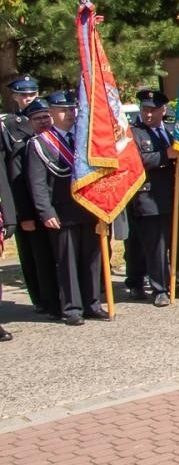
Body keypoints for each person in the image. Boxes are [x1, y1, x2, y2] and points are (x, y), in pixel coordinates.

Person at [26, 90, 107, 325]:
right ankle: (72, 307)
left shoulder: (85, 139)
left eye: (72, 109)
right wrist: (45, 212)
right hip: (62, 211)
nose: (70, 113)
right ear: (51, 113)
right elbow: (37, 183)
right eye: (63, 110)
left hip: (90, 207)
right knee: (67, 262)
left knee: (92, 259)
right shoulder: (41, 144)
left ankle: (93, 303)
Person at [128, 89, 179, 306]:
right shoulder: (133, 133)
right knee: (156, 246)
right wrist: (164, 155)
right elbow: (135, 160)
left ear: (163, 110)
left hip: (177, 195)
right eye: (145, 109)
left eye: (153, 110)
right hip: (149, 198)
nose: (148, 114)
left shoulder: (172, 130)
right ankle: (159, 288)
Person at [2, 76, 57, 318]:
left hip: (52, 201)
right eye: (23, 95)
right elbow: (12, 174)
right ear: (14, 97)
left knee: (54, 254)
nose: (28, 98)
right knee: (35, 256)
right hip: (26, 202)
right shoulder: (9, 126)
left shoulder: (49, 118)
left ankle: (59, 297)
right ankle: (41, 299)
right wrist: (20, 212)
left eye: (32, 94)